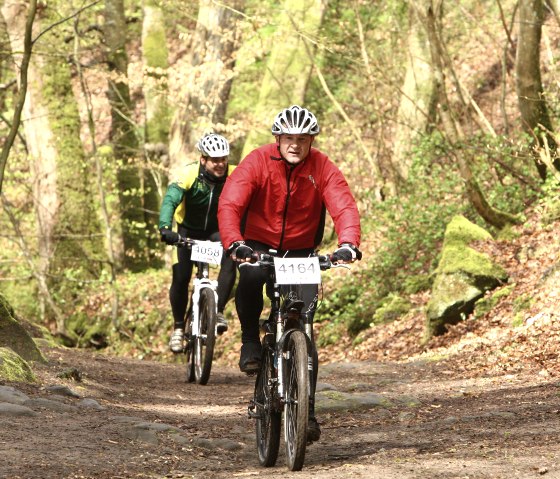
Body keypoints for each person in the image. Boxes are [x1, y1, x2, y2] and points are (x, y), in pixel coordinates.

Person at [218, 105, 362, 442]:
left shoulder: (322, 167)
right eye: (288, 138)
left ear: (311, 140)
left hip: (301, 251)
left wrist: (348, 244)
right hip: (258, 244)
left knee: (305, 330)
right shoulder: (257, 161)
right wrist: (235, 243)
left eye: (302, 139)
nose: (294, 145)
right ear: (277, 138)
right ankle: (251, 341)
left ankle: (307, 411)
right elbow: (231, 203)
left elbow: (343, 204)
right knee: (251, 278)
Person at [159, 133, 237, 353]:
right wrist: (165, 228)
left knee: (231, 256)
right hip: (187, 230)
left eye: (224, 158)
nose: (221, 164)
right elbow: (170, 199)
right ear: (203, 159)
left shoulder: (234, 174)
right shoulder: (189, 173)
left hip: (216, 230)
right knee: (181, 277)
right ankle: (177, 328)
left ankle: (218, 310)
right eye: (215, 160)